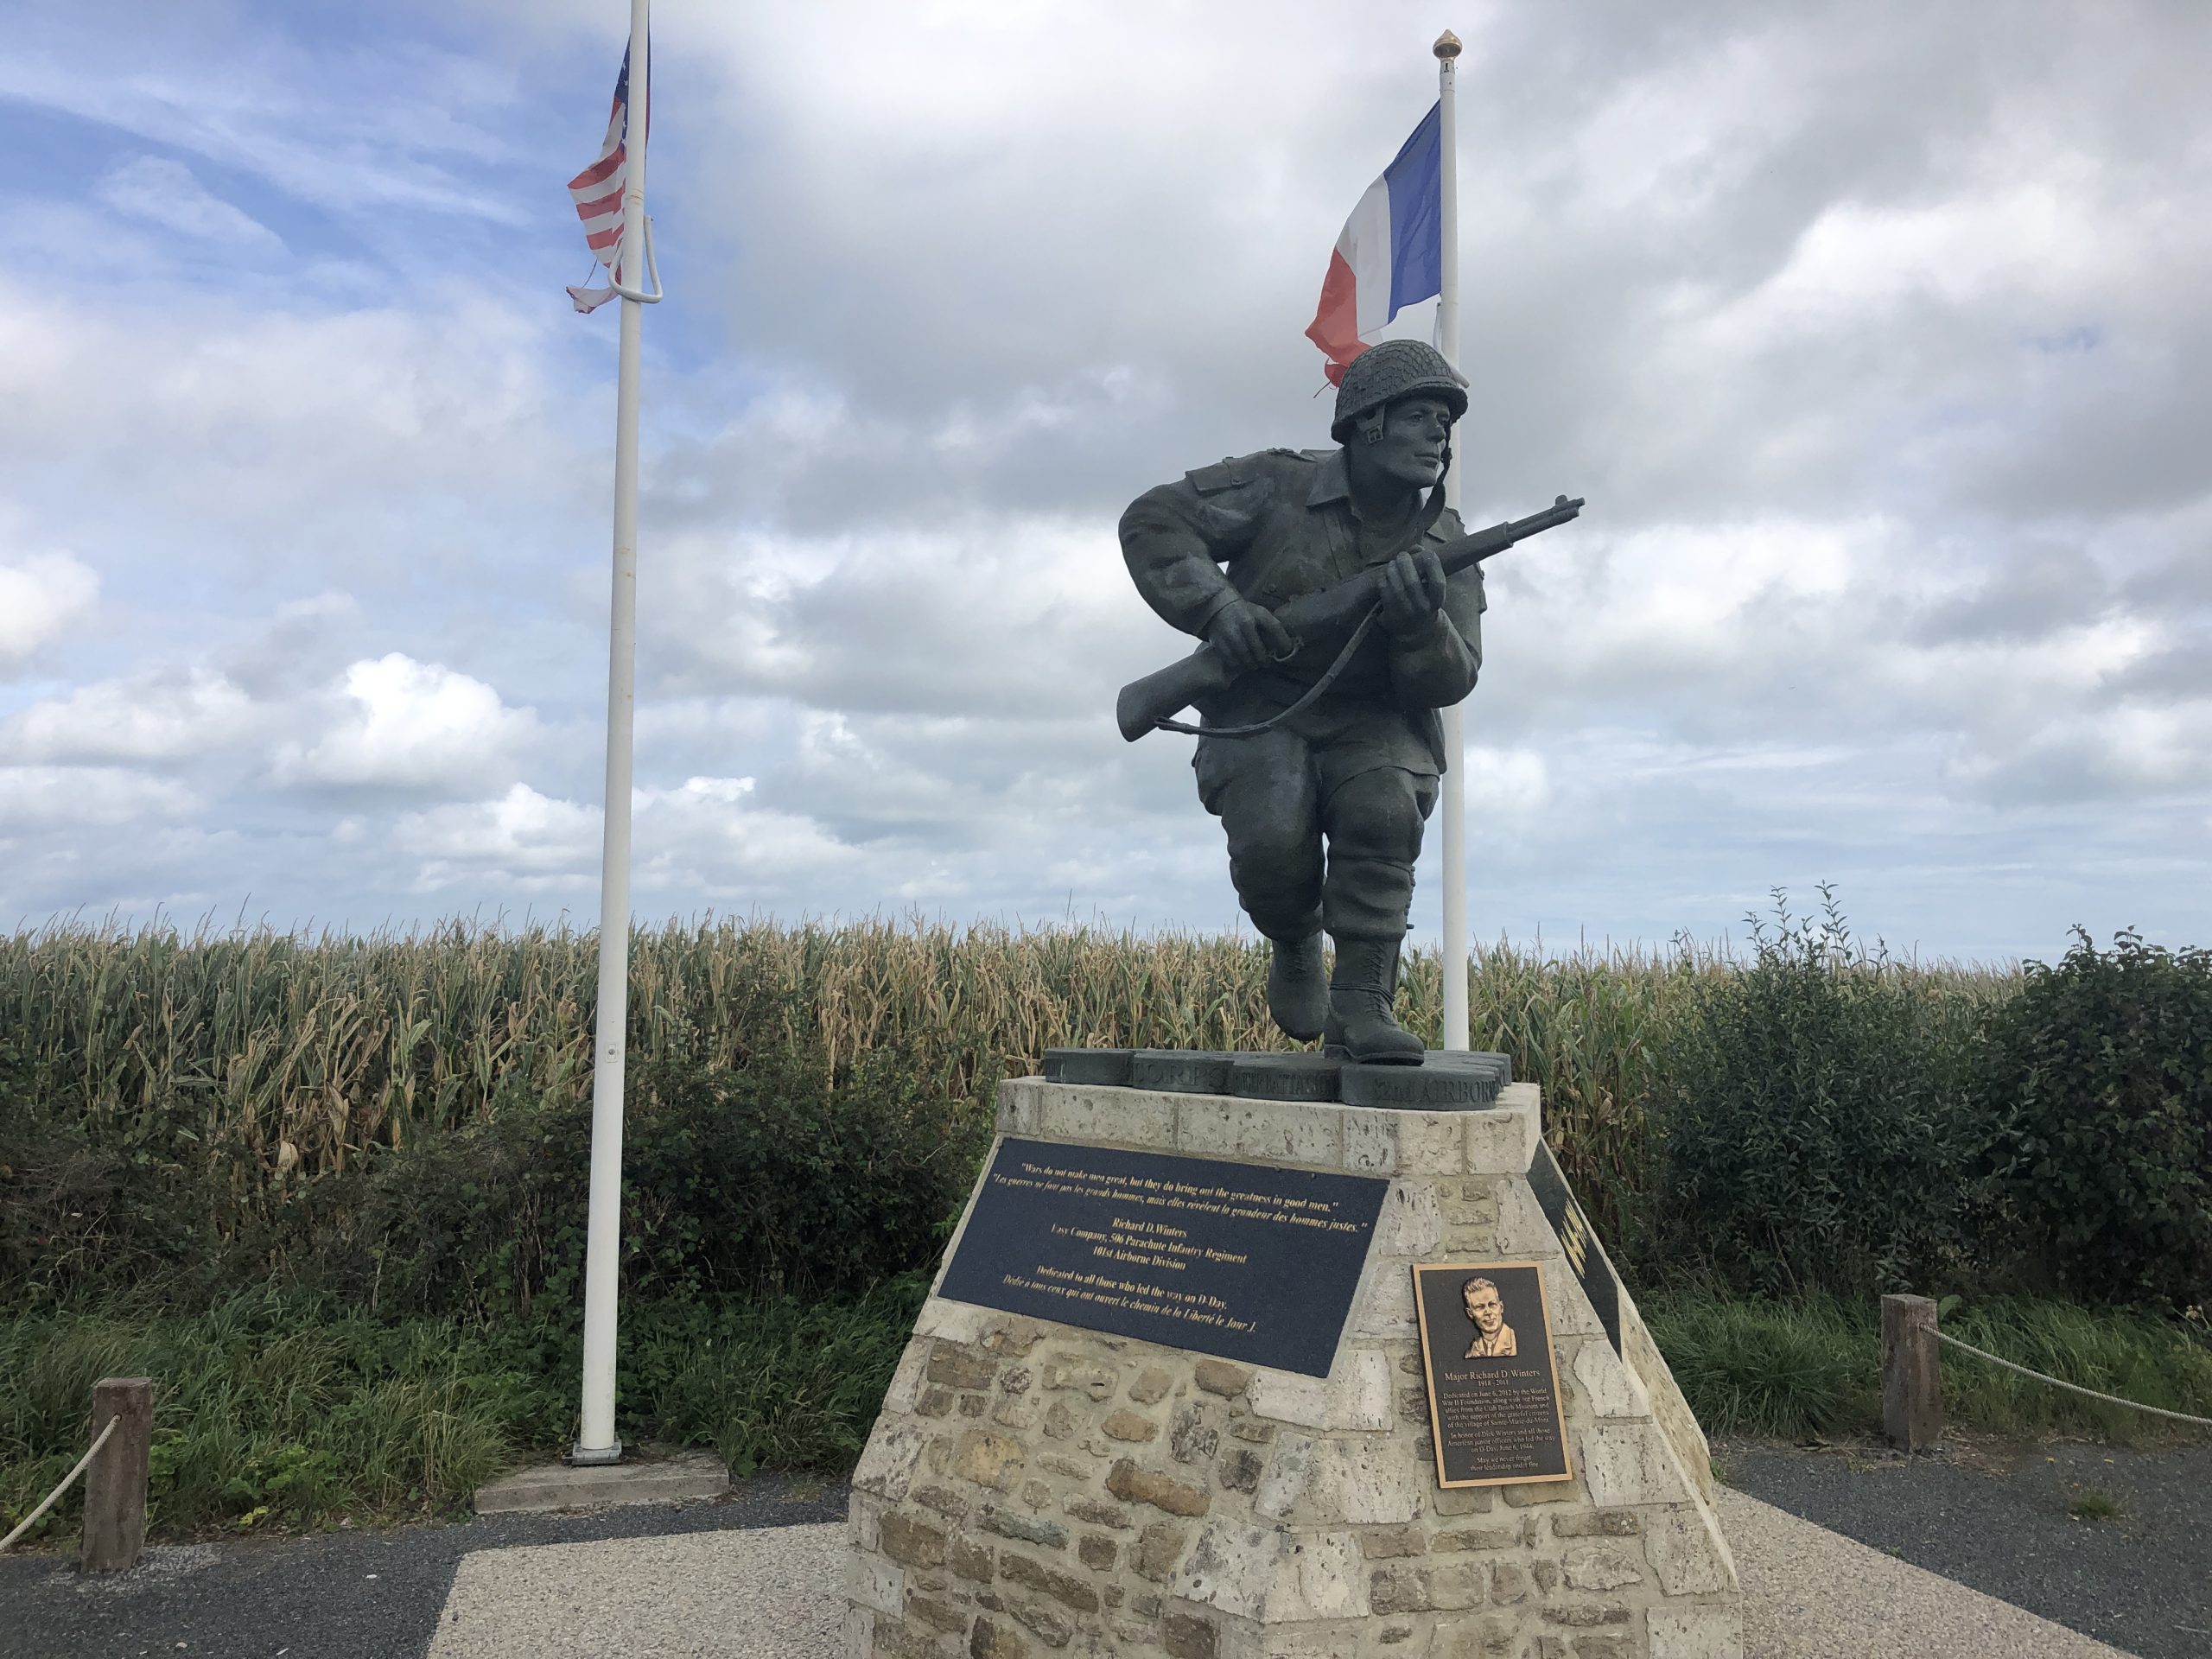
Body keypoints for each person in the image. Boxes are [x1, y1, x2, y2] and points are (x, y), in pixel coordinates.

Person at [1119, 340, 1480, 1063]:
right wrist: (1220, 610)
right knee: (1272, 848)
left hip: (1378, 719)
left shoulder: (1446, 537)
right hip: (1262, 708)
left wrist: (1418, 628)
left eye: (1446, 420)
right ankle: (1292, 937)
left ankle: (1363, 1002)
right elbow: (1154, 522)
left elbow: (1454, 675)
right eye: (1420, 415)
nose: (1440, 434)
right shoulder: (1278, 484)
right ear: (1369, 423)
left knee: (1383, 807)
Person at [1461, 1275, 1516, 1358]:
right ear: (1470, 1313)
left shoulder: (1516, 1342)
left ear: (1501, 1307)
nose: (1488, 1312)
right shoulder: (1472, 1352)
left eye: (1492, 1304)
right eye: (1480, 1307)